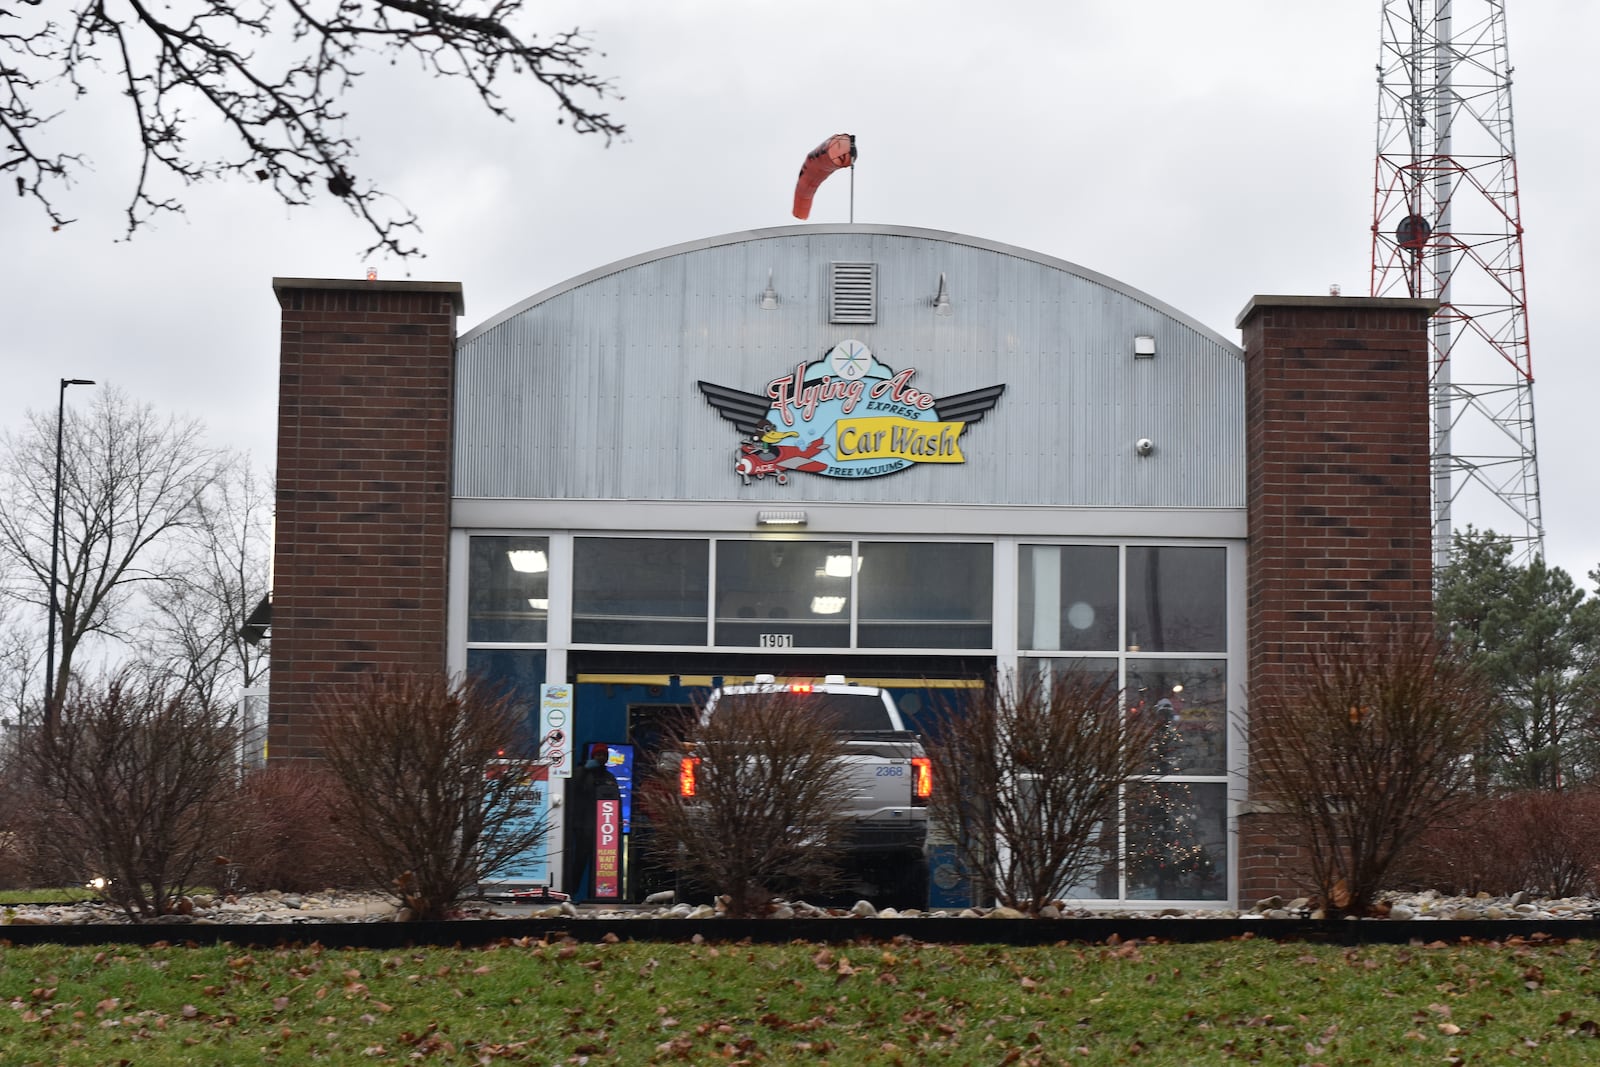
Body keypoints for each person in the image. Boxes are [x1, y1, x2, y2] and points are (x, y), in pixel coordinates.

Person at [570, 743, 622, 900]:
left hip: (604, 832)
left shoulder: (610, 777)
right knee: (579, 862)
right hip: (584, 827)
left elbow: (616, 801)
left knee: (600, 864)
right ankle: (570, 893)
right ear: (592, 756)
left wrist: (619, 822)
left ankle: (598, 895)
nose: (601, 758)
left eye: (603, 755)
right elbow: (572, 788)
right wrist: (585, 770)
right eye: (598, 755)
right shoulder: (582, 773)